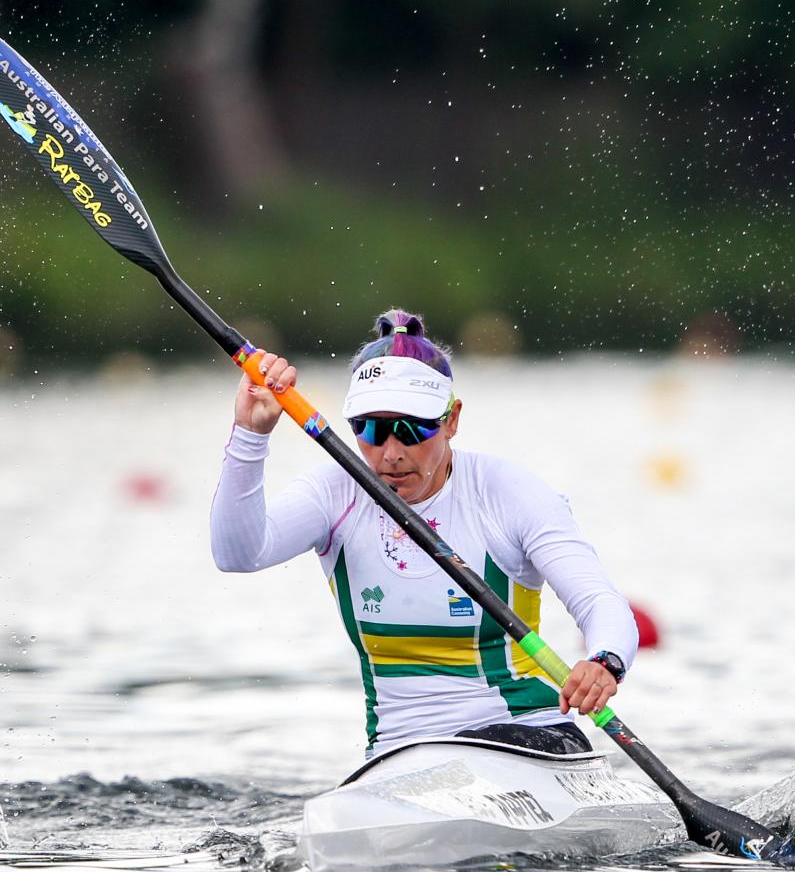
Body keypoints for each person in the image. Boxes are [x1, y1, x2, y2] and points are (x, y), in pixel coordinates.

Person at [211, 309, 637, 757]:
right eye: (371, 429)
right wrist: (251, 435)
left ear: (451, 419)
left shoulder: (506, 492)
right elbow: (238, 554)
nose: (390, 453)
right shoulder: (335, 493)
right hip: (398, 754)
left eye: (411, 429)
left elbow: (599, 601)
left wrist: (603, 661)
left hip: (529, 736)